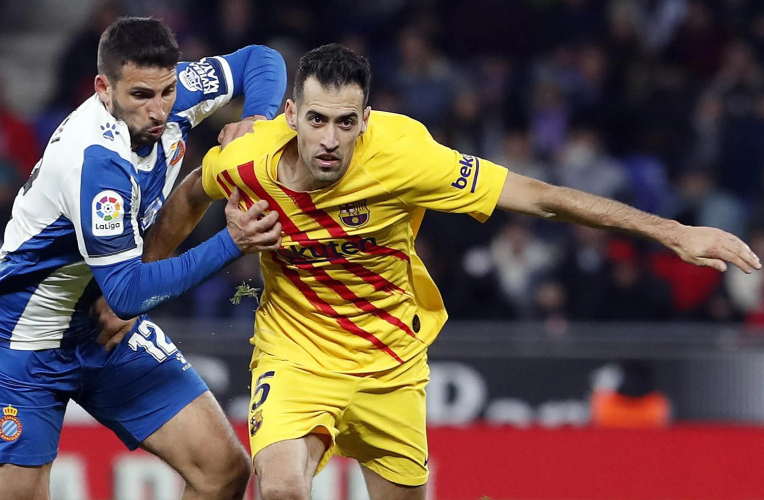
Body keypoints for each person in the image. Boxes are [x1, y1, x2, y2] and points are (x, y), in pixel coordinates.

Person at [143, 43, 761, 499]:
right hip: (295, 359)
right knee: (280, 489)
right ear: (291, 113)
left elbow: (540, 196)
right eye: (316, 120)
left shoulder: (408, 156)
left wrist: (674, 231)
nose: (330, 139)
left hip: (392, 364)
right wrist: (142, 283)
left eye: (346, 122)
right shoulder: (249, 160)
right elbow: (191, 194)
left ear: (366, 119)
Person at [0, 17, 286, 500]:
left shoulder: (174, 91)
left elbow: (260, 60)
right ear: (103, 87)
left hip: (101, 324)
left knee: (223, 471)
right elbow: (127, 292)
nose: (158, 110)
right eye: (140, 96)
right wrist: (232, 243)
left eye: (165, 92)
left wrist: (257, 121)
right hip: (25, 342)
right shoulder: (96, 161)